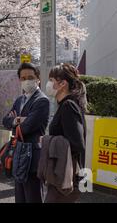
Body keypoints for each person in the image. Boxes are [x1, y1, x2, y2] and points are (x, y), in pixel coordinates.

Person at [2, 63, 50, 203]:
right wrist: (18, 120)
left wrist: (15, 122)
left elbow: (26, 128)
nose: (26, 81)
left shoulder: (42, 101)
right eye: (23, 78)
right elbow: (5, 120)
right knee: (20, 196)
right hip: (18, 154)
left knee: (33, 196)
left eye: (30, 77)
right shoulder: (19, 100)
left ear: (38, 79)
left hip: (33, 156)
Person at [44, 63, 87, 203]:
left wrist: (48, 141)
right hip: (62, 173)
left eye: (51, 80)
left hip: (65, 175)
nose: (48, 84)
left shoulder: (68, 106)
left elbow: (77, 144)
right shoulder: (65, 104)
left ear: (62, 83)